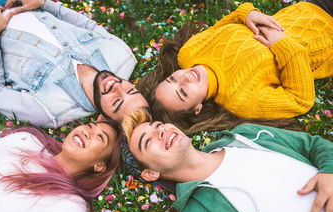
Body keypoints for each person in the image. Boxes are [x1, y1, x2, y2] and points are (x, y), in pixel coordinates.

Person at [123, 108, 333, 212]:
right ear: (151, 173)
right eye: (147, 141)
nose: (160, 132)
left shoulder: (245, 135)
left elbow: (312, 144)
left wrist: (330, 170)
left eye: (158, 125)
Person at [0, 0, 148, 127]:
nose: (117, 86)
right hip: (26, 6)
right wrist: (45, 4)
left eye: (117, 102)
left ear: (103, 117)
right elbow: (88, 25)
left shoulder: (52, 110)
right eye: (131, 91)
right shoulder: (123, 56)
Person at [137, 0, 333, 133]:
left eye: (172, 79)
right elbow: (300, 100)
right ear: (197, 108)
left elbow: (224, 26)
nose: (184, 77)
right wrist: (284, 45)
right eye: (183, 92)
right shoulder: (241, 100)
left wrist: (248, 14)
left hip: (308, 7)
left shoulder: (189, 53)